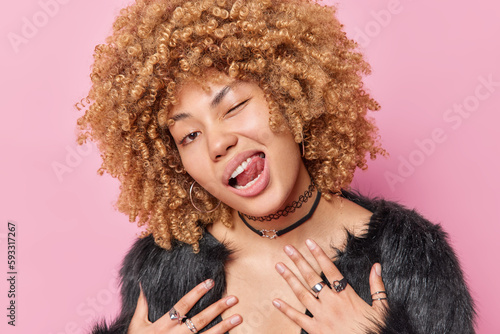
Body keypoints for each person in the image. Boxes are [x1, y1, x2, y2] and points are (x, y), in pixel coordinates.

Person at [77, 0, 475, 333]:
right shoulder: (161, 267)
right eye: (189, 136)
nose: (218, 143)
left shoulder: (409, 258)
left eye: (234, 106)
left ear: (292, 96)